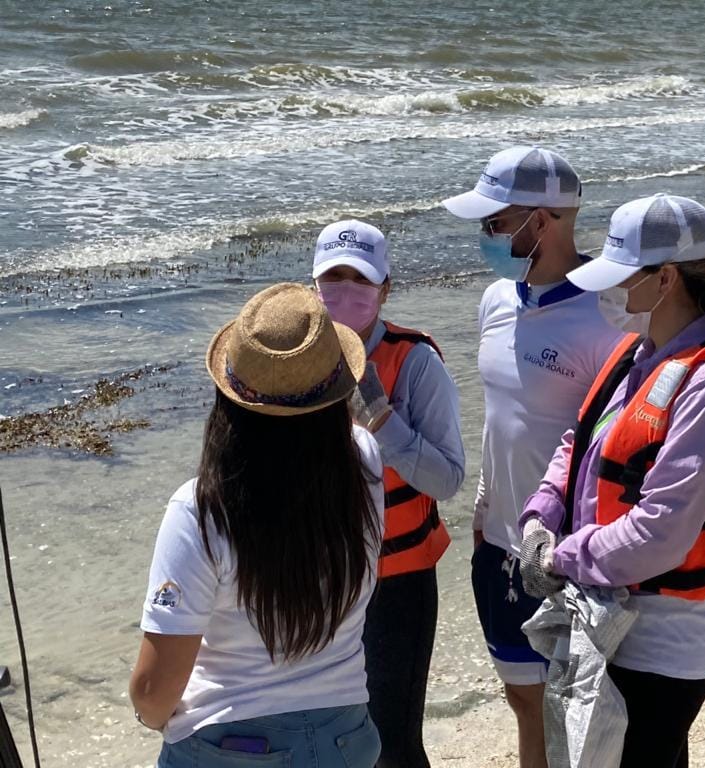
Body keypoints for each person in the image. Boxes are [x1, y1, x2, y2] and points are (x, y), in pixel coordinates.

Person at [520, 193, 705, 768]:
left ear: (665, 279)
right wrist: (540, 516)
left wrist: (561, 559)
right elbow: (581, 441)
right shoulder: (641, 351)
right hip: (618, 613)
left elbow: (660, 533)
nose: (608, 292)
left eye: (621, 277)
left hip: (667, 642)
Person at [130, 283, 385, 767]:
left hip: (230, 749)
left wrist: (153, 719)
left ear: (230, 399)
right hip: (346, 738)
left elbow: (154, 690)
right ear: (336, 392)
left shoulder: (202, 510)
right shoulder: (364, 465)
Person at [442, 146, 625, 768]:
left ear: (541, 221)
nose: (486, 235)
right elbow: (505, 418)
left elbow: (619, 450)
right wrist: (483, 513)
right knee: (522, 701)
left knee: (579, 713)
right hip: (496, 546)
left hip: (564, 554)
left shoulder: (610, 318)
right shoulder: (497, 299)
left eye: (495, 222)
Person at [312, 220, 465, 768]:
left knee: (394, 744)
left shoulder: (415, 360)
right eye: (335, 277)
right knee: (329, 736)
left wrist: (383, 421)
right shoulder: (293, 360)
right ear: (314, 287)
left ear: (386, 289)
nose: (347, 291)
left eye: (362, 279)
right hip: (320, 579)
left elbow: (449, 479)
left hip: (396, 583)